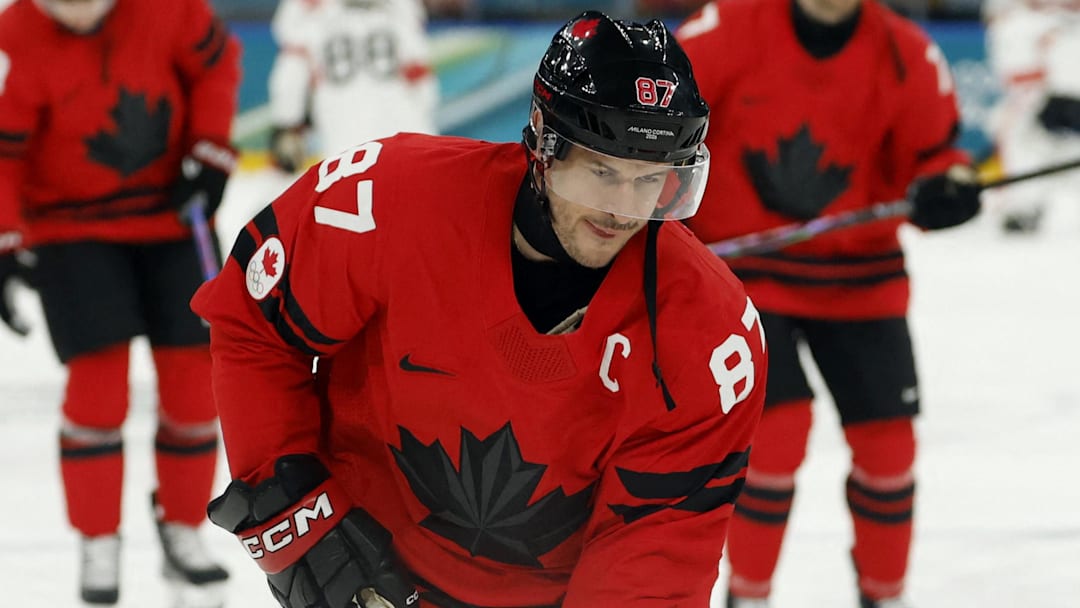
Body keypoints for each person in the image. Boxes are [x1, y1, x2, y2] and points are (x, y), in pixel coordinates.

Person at [192, 11, 768, 608]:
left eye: (650, 180)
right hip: (369, 580)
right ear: (543, 139)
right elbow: (254, 321)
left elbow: (653, 558)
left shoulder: (710, 337)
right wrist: (298, 520)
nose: (623, 210)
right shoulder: (390, 199)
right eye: (602, 171)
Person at [676, 0, 983, 606]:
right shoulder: (723, 31)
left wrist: (948, 186)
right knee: (775, 435)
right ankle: (750, 594)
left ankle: (885, 595)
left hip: (862, 278)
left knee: (890, 448)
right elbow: (664, 130)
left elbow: (938, 154)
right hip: (740, 279)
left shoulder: (906, 50)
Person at [0, 0, 240, 605]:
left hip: (171, 216)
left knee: (194, 381)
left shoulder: (170, 10)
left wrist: (211, 149)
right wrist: (3, 239)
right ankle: (97, 540)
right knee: (97, 385)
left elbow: (218, 64)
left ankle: (184, 526)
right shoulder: (15, 36)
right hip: (68, 231)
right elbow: (2, 152)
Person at [266, 0, 438, 174]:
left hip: (344, 139)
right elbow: (421, 78)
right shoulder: (400, 7)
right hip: (406, 132)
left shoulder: (308, 11)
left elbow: (291, 72)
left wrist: (287, 124)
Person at [982, 0, 1080, 234]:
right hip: (1051, 99)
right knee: (1023, 137)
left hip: (1057, 96)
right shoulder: (1020, 22)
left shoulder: (1025, 23)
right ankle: (1025, 206)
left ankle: (1024, 206)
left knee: (1017, 134)